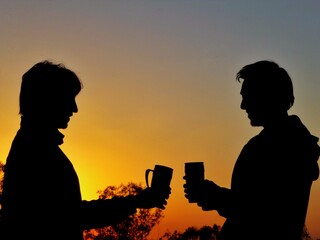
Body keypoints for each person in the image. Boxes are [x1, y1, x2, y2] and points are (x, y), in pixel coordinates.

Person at [0, 60, 170, 240]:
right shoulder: (35, 150)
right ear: (48, 99)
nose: (75, 108)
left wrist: (135, 202)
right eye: (68, 99)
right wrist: (136, 202)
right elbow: (71, 216)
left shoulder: (34, 145)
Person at [184, 60, 320, 240]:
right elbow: (254, 202)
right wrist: (215, 196)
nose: (242, 105)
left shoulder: (283, 145)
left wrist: (216, 196)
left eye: (248, 96)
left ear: (267, 95)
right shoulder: (287, 141)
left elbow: (264, 213)